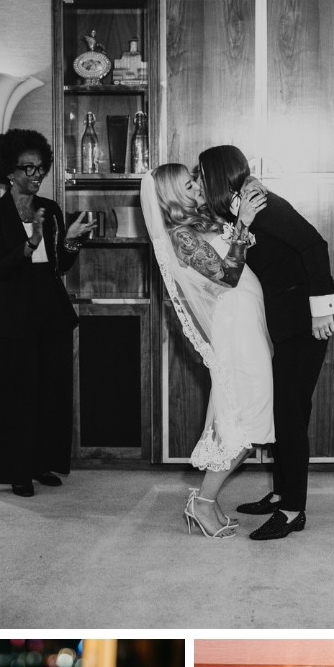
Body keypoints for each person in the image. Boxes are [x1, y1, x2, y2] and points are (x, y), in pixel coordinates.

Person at [198, 145, 334, 541]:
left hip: (305, 323)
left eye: (203, 175)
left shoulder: (263, 202)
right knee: (286, 412)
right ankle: (281, 494)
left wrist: (322, 309)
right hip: (284, 323)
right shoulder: (240, 208)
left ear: (219, 175)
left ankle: (293, 511)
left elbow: (315, 246)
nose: (202, 183)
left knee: (290, 416)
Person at [140, 163, 274, 538]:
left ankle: (208, 502)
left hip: (248, 321)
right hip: (234, 328)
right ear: (173, 196)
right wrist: (243, 224)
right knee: (245, 417)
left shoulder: (202, 222)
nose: (198, 186)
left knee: (253, 415)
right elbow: (228, 275)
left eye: (195, 179)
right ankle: (202, 502)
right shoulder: (182, 236)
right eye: (189, 184)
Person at [0, 129, 97, 497]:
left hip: (50, 311)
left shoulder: (53, 209)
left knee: (50, 392)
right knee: (15, 396)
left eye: (40, 168)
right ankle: (16, 470)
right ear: (8, 172)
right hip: (12, 316)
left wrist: (72, 238)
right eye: (27, 168)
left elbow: (59, 265)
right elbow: (0, 267)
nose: (35, 175)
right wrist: (29, 244)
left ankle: (41, 463)